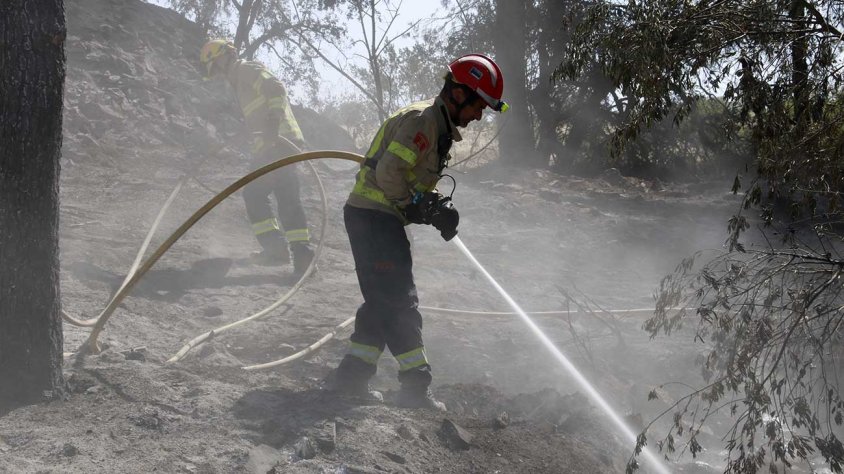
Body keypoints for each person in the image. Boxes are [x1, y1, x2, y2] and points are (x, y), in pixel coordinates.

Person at [327, 54, 508, 410]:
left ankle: (351, 377)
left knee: (382, 299)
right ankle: (415, 387)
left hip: (379, 218)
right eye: (477, 106)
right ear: (459, 94)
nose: (478, 116)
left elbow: (409, 176)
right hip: (374, 217)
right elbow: (389, 174)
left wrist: (436, 204)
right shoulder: (423, 121)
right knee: (399, 301)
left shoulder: (435, 127)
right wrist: (415, 205)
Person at [199, 39, 314, 275]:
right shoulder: (239, 84)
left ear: (226, 56)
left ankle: (281, 250)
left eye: (217, 65)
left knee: (257, 193)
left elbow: (276, 88)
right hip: (272, 143)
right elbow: (258, 111)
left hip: (278, 142)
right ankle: (299, 253)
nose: (218, 72)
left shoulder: (245, 69)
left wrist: (273, 120)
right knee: (283, 193)